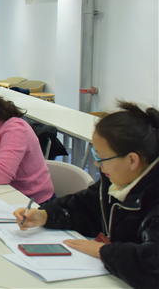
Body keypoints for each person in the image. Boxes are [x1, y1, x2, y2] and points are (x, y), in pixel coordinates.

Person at [14, 102, 159, 288]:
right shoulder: (118, 180)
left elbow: (152, 266)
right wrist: (46, 215)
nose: (97, 165)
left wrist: (104, 251)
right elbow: (85, 206)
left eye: (101, 158)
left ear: (132, 160)